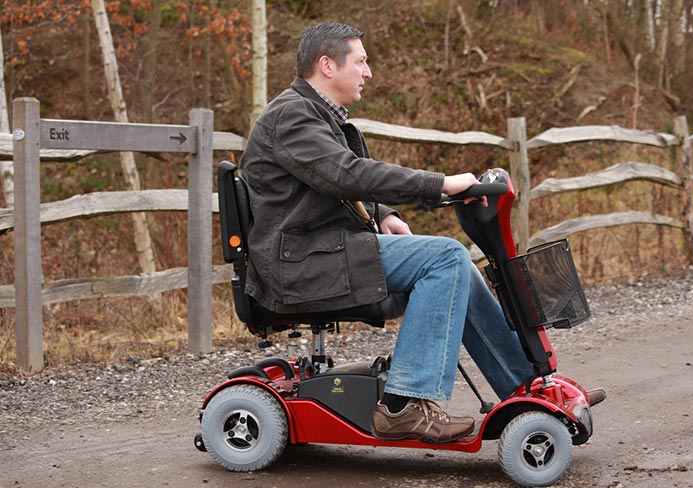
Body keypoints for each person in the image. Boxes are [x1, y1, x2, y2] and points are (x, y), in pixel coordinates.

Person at [240, 22, 604, 444]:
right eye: (361, 61)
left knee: (457, 267)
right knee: (445, 256)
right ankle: (403, 405)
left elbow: (328, 182)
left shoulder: (317, 116)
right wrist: (441, 183)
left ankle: (523, 387)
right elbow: (344, 174)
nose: (368, 71)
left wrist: (384, 214)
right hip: (302, 264)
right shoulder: (292, 116)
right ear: (327, 65)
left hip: (325, 252)